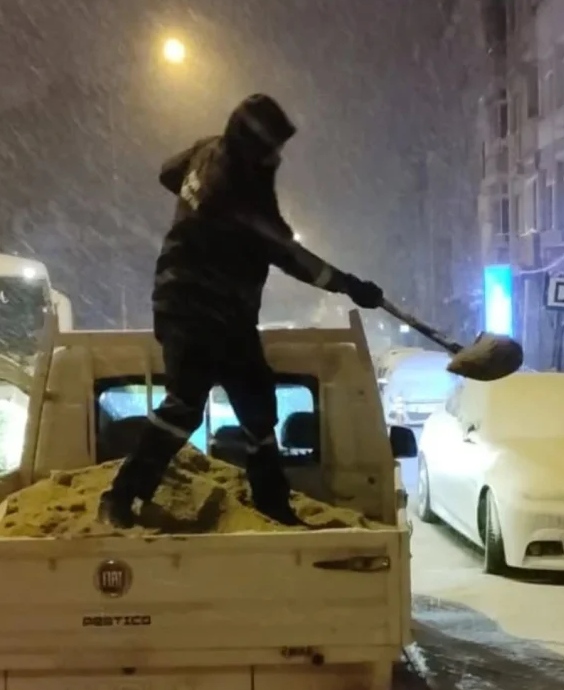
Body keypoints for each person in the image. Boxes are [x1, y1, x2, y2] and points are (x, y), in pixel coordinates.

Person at [99, 94, 384, 528]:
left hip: (222, 313)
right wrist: (350, 286)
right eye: (271, 148)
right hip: (192, 309)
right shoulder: (241, 197)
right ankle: (120, 497)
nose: (277, 158)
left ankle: (272, 504)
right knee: (184, 405)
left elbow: (166, 173)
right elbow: (291, 257)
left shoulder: (208, 150)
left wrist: (196, 216)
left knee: (259, 410)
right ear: (252, 146)